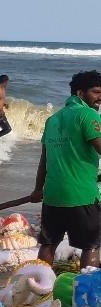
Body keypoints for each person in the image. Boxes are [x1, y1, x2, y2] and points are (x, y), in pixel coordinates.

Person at [31, 70, 101, 268]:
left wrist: (38, 190)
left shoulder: (53, 120)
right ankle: (87, 295)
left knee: (48, 244)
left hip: (53, 195)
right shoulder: (88, 115)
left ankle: (40, 289)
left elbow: (44, 160)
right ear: (80, 93)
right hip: (82, 196)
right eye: (96, 92)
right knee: (91, 247)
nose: (100, 97)